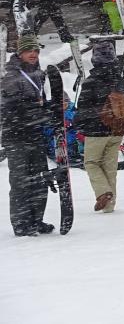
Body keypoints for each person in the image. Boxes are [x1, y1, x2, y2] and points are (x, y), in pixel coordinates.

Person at [3, 35, 55, 236]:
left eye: (36, 51)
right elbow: (9, 110)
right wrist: (37, 114)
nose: (33, 54)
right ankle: (22, 223)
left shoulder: (39, 75)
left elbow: (38, 102)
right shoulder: (12, 77)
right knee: (21, 181)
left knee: (40, 179)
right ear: (20, 53)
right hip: (16, 136)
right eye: (29, 51)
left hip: (35, 135)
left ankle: (36, 219)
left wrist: (48, 111)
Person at [75, 40, 124, 212]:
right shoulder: (119, 79)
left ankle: (103, 192)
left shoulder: (90, 82)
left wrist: (78, 124)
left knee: (91, 163)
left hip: (96, 131)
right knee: (110, 167)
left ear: (95, 59)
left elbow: (83, 109)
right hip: (117, 129)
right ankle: (109, 206)